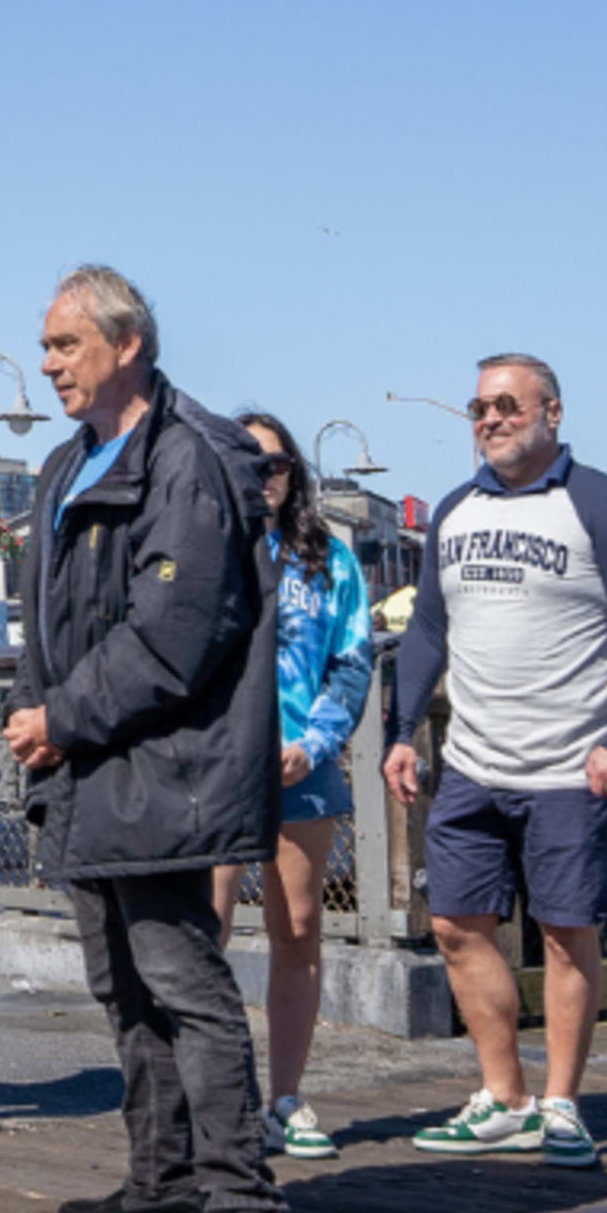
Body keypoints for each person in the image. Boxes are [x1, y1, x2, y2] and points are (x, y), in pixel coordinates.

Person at [5, 265, 296, 1213]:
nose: (48, 365)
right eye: (45, 348)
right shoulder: (65, 466)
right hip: (90, 769)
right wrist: (48, 727)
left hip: (167, 770)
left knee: (184, 980)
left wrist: (62, 715)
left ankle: (243, 1198)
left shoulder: (190, 462)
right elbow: (53, 620)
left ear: (128, 344)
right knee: (122, 984)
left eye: (65, 346)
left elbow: (176, 630)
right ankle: (163, 1173)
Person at [381, 352, 607, 1171]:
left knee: (565, 932)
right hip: (472, 763)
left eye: (508, 405)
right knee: (456, 927)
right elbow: (428, 628)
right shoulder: (456, 511)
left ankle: (563, 1102)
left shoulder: (601, 507)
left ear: (553, 412)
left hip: (569, 767)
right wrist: (403, 731)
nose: (491, 420)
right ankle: (503, 1096)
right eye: (478, 409)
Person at [213, 410, 376, 1161]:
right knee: (204, 932)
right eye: (247, 465)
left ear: (295, 473)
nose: (263, 477)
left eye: (274, 465)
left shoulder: (329, 560)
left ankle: (285, 1097)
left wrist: (314, 743)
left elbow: (351, 661)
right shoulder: (205, 547)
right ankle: (212, 1101)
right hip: (216, 767)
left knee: (299, 930)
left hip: (301, 771)